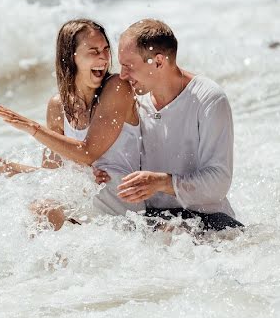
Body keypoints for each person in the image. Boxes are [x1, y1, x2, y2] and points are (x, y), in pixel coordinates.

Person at [0, 19, 143, 229]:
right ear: (71, 56)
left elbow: (87, 153)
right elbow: (49, 178)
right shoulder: (58, 106)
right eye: (93, 51)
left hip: (124, 204)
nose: (103, 57)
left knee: (44, 210)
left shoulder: (117, 87)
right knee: (41, 204)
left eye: (105, 49)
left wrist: (33, 128)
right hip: (88, 204)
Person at [98, 18, 243, 232]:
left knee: (168, 233)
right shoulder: (133, 102)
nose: (122, 75)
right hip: (152, 219)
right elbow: (122, 157)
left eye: (129, 66)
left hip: (209, 219)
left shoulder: (209, 99)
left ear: (158, 62)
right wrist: (101, 170)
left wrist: (163, 183)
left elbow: (219, 183)